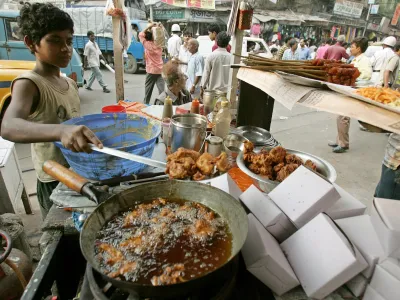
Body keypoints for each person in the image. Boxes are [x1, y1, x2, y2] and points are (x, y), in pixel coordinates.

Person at [1, 3, 103, 218]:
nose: (65, 48)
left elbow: (73, 123)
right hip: (53, 178)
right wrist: (60, 131)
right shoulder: (29, 83)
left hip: (77, 172)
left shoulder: (69, 83)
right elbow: (9, 126)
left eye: (68, 41)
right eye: (55, 41)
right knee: (60, 228)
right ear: (31, 43)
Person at [328, 37, 372, 154]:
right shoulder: (354, 59)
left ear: (359, 48)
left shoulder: (364, 60)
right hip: (346, 89)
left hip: (353, 91)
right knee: (340, 116)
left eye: (352, 46)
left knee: (343, 117)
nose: (350, 49)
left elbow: (366, 76)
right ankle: (339, 140)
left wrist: (352, 77)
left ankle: (343, 144)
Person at [139, 23, 164, 104]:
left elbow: (140, 34)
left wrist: (149, 26)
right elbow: (161, 36)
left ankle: (145, 105)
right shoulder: (159, 44)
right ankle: (162, 105)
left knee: (148, 91)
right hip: (160, 70)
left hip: (151, 71)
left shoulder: (148, 45)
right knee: (162, 91)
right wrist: (159, 28)